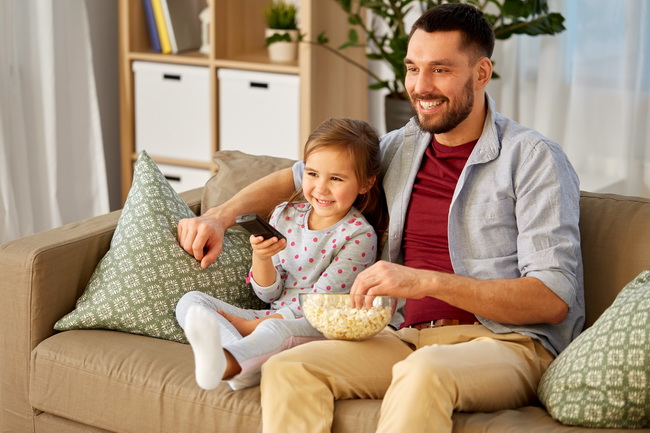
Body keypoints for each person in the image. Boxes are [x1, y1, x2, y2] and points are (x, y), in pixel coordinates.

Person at [177, 3, 584, 432]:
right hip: (402, 335)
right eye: (413, 68)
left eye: (440, 70)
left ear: (481, 74)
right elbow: (296, 178)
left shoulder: (533, 158)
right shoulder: (400, 149)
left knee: (426, 369)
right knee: (290, 367)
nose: (420, 87)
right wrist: (219, 218)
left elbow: (552, 298)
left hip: (505, 344)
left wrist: (422, 280)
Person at [175, 118, 382, 391]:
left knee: (273, 330)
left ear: (365, 184)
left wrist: (254, 326)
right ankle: (239, 365)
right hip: (273, 315)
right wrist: (261, 257)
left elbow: (318, 307)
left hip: (318, 326)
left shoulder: (358, 235)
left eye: (336, 178)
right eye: (312, 174)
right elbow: (269, 295)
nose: (320, 188)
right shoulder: (286, 213)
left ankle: (232, 361)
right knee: (191, 301)